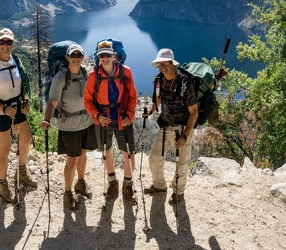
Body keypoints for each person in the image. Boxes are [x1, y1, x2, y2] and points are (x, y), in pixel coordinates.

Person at [0, 28, 37, 203]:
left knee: (25, 140)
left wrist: (26, 102)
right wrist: (3, 109)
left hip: (17, 107)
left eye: (9, 42)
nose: (5, 45)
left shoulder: (16, 61)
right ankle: (2, 185)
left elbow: (24, 85)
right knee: (4, 149)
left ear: (13, 44)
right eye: (2, 42)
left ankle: (21, 172)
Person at [39, 43, 98, 210]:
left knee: (83, 153)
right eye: (73, 55)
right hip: (69, 124)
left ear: (83, 57)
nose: (76, 58)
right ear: (67, 57)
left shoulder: (85, 73)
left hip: (86, 121)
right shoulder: (60, 77)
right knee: (72, 158)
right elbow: (52, 101)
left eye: (79, 55)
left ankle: (80, 183)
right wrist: (48, 120)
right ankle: (67, 193)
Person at [83, 40, 137, 202]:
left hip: (122, 118)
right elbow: (87, 100)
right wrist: (97, 116)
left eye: (108, 55)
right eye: (102, 56)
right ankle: (112, 181)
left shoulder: (125, 72)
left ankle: (128, 183)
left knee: (128, 152)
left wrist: (130, 115)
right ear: (98, 57)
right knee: (106, 152)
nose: (105, 58)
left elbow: (133, 97)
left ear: (114, 55)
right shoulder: (94, 75)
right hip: (104, 119)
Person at [144, 48, 198, 205]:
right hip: (166, 126)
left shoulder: (185, 84)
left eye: (165, 64)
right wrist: (152, 111)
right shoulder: (159, 80)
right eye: (159, 64)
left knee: (181, 164)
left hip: (182, 129)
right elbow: (158, 100)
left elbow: (194, 113)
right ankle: (159, 186)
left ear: (172, 64)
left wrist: (185, 135)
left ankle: (178, 191)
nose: (162, 67)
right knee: (154, 159)